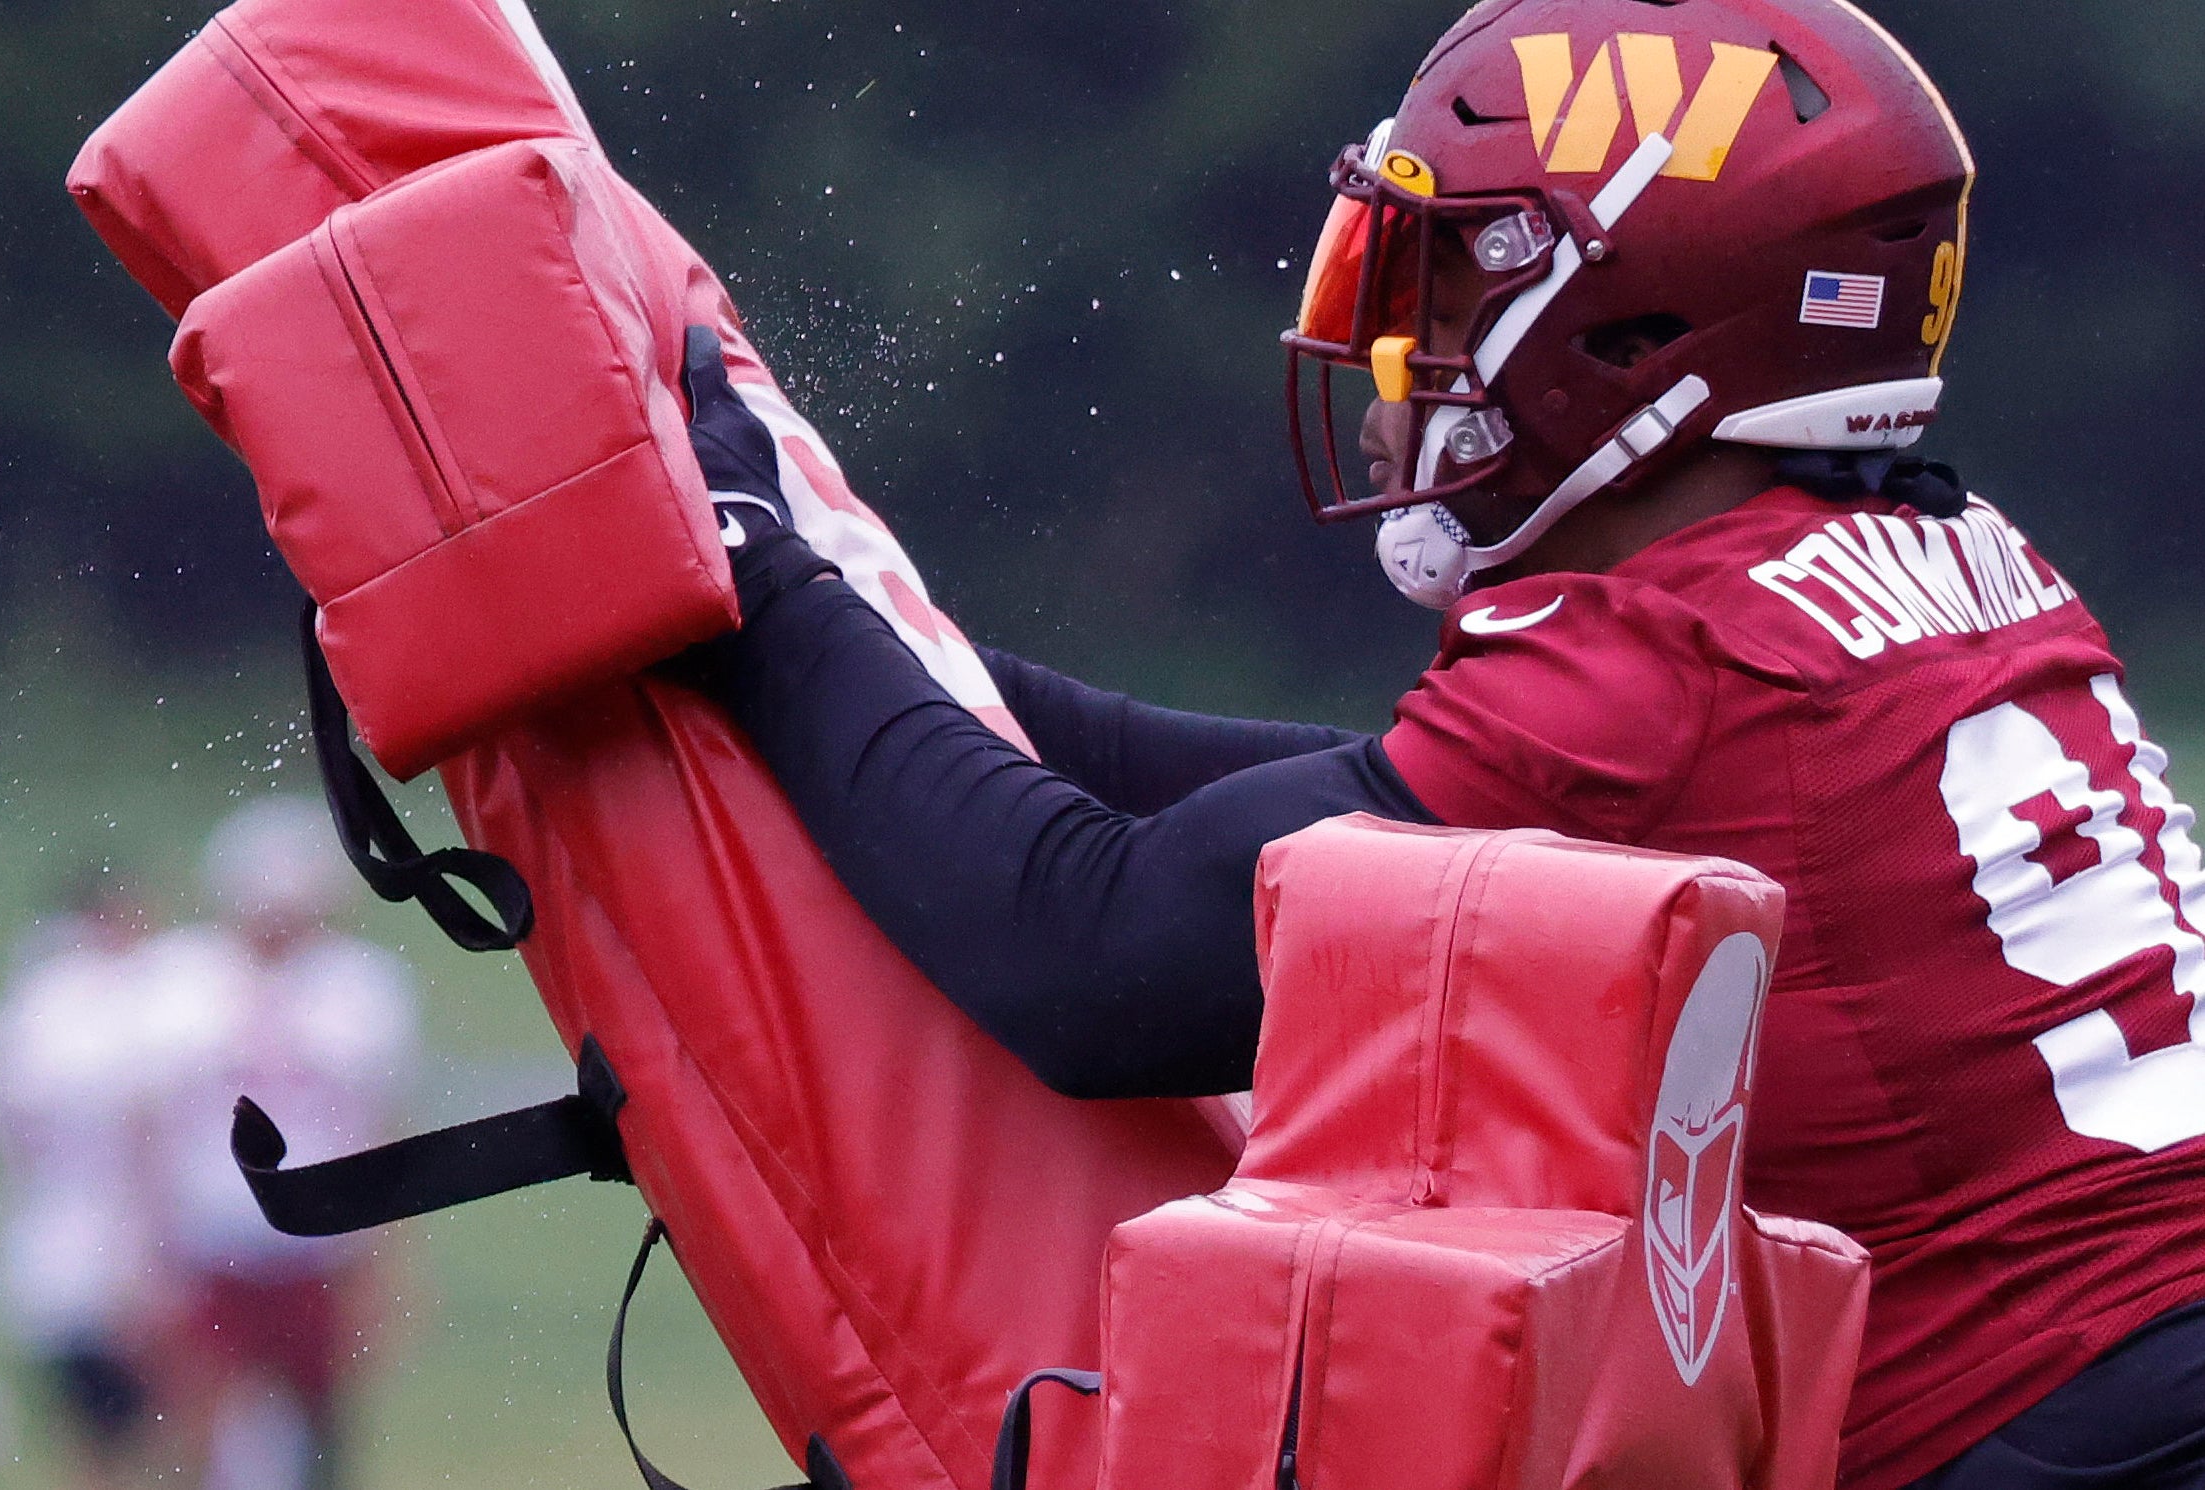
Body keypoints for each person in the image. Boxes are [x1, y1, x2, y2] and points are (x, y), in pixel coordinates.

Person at [668, 1, 2205, 1486]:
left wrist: (761, 592)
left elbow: (1087, 957)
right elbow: (1262, 794)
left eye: (1455, 278)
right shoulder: (1940, 564)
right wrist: (857, 619)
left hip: (2066, 1420)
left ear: (1633, 321)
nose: (1395, 339)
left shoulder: (1652, 662)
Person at [143, 798, 420, 1490]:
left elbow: (380, 1126)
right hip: (209, 1242)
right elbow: (147, 1128)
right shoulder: (182, 979)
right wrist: (146, 1249)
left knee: (322, 1428)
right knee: (201, 1425)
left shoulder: (356, 985)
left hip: (321, 1246)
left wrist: (386, 1259)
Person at [0, 873, 171, 1490]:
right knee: (153, 1439)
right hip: (125, 1253)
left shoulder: (22, 1012)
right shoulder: (115, 1007)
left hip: (45, 1255)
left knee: (95, 1441)